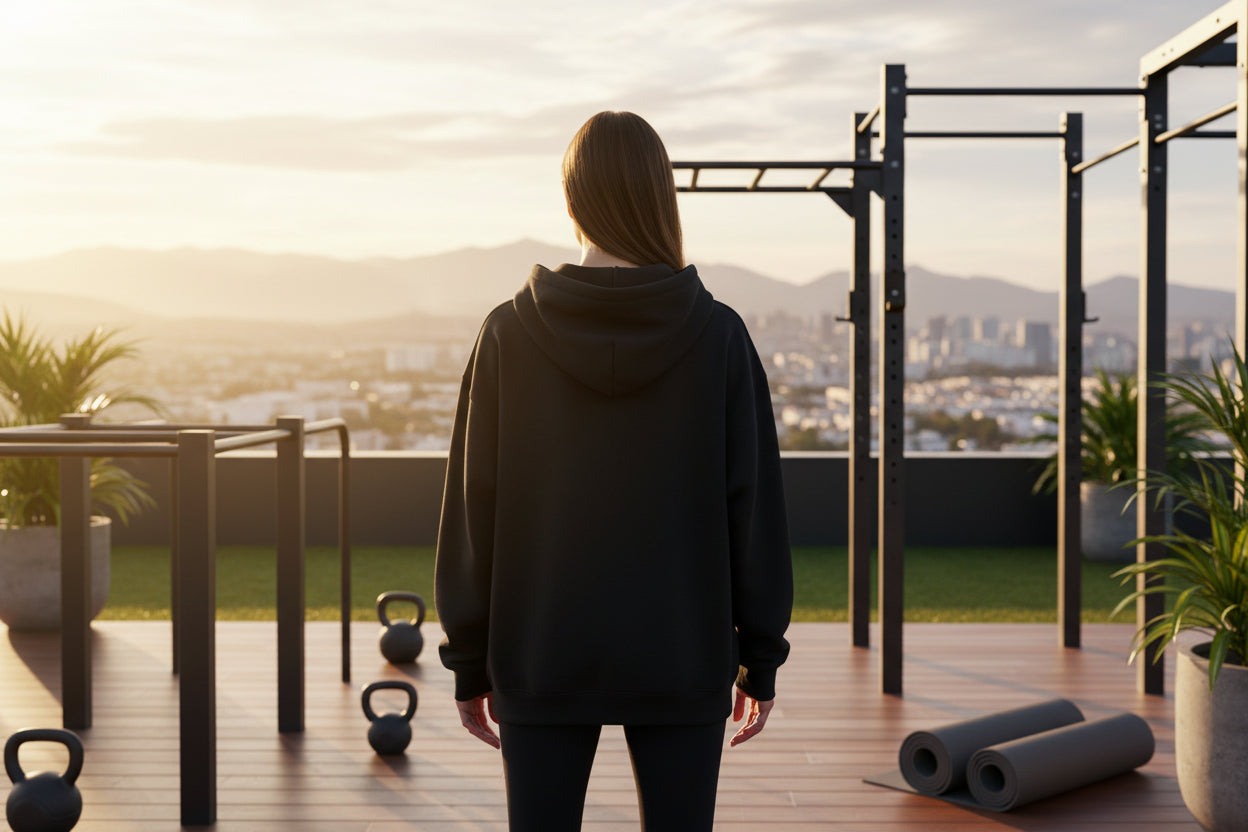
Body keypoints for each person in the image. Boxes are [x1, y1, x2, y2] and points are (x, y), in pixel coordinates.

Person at [434, 110, 793, 832]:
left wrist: (469, 661)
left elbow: (475, 509)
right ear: (661, 197)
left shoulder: (507, 332)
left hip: (540, 652)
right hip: (683, 656)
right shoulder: (718, 335)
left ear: (573, 202)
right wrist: (760, 658)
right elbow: (751, 510)